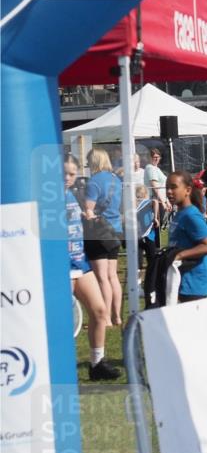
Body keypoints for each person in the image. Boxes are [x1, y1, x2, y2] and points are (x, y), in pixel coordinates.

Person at [64, 156, 120, 381]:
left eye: (72, 173)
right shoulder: (46, 197)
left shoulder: (72, 195)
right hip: (60, 266)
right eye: (64, 173)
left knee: (99, 311)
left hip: (80, 262)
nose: (68, 178)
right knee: (61, 320)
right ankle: (58, 364)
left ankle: (97, 363)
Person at [83, 148, 123, 327]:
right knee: (113, 276)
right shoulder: (117, 180)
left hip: (98, 231)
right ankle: (117, 316)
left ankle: (105, 318)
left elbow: (89, 210)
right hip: (115, 230)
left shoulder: (94, 182)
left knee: (102, 277)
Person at [165, 171, 207, 302]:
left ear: (188, 190)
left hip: (194, 281)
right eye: (167, 188)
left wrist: (179, 255)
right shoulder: (180, 213)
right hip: (183, 277)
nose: (169, 191)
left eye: (173, 187)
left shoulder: (191, 215)